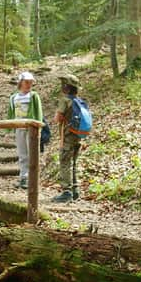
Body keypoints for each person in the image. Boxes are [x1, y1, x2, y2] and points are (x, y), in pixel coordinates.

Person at [7, 71, 43, 190]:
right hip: (19, 129)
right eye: (26, 82)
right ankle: (23, 178)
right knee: (22, 154)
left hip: (31, 130)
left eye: (31, 82)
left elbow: (38, 114)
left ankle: (33, 178)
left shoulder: (33, 96)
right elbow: (11, 114)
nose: (29, 84)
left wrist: (38, 129)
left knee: (32, 154)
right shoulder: (13, 97)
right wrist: (8, 130)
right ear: (20, 82)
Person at [53, 73, 82, 202]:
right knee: (74, 163)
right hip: (78, 137)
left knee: (65, 163)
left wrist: (60, 116)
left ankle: (66, 192)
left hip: (68, 137)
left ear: (67, 87)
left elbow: (57, 119)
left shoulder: (65, 100)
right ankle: (75, 190)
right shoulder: (80, 101)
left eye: (63, 84)